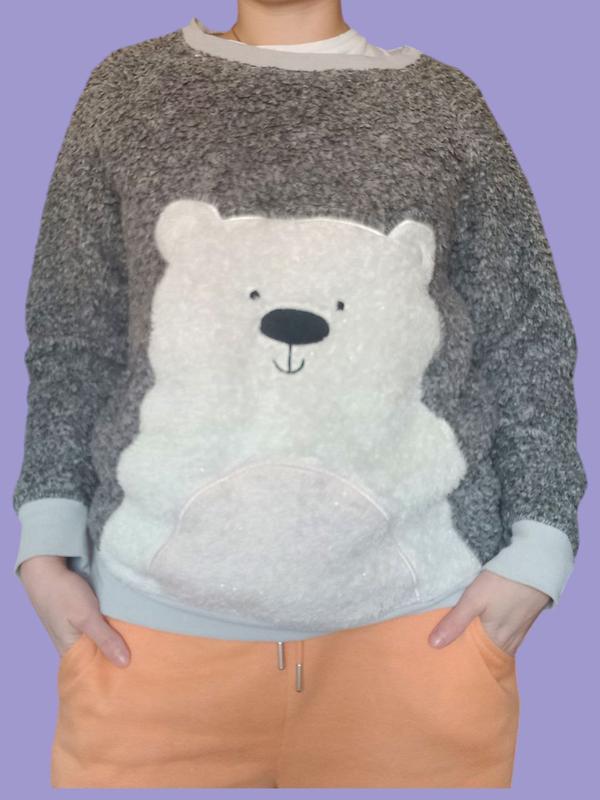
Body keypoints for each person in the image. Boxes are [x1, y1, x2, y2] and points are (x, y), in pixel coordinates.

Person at [12, 0, 587, 789]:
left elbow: (524, 333)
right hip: (146, 641)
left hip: (423, 640)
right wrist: (45, 540)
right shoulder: (128, 89)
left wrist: (541, 546)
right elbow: (75, 330)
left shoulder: (444, 107)